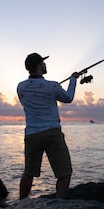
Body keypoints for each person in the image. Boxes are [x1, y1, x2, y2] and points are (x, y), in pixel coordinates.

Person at [17, 53, 80, 199]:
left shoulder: (21, 87)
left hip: (32, 135)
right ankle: (59, 205)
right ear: (39, 65)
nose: (45, 65)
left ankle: (21, 204)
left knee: (29, 172)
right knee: (64, 173)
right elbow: (68, 98)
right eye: (43, 63)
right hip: (52, 133)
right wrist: (73, 80)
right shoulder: (53, 86)